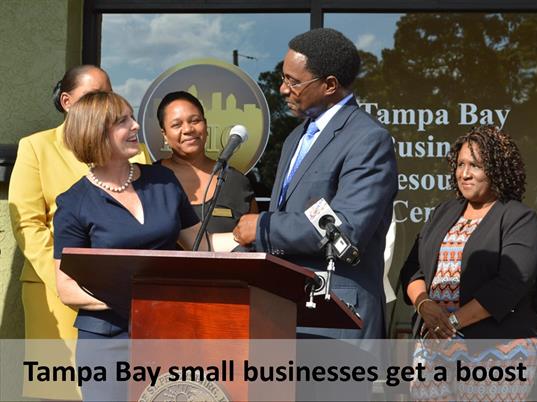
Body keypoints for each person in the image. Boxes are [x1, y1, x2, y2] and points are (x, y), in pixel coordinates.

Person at [52, 91, 234, 401]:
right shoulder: (73, 203)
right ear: (96, 132)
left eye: (132, 117)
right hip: (109, 343)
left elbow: (201, 244)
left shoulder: (162, 180)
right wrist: (138, 301)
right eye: (123, 121)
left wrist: (254, 235)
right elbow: (67, 287)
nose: (135, 126)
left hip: (171, 333)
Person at [232, 28, 398, 340]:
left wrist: (263, 227)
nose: (283, 89)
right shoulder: (295, 138)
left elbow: (346, 230)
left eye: (293, 81)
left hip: (339, 316)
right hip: (287, 312)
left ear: (330, 85)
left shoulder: (368, 139)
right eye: (282, 77)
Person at [8, 65, 150, 344]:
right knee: (58, 372)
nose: (103, 103)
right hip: (55, 288)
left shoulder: (135, 151)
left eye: (108, 95)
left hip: (124, 294)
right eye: (93, 95)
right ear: (67, 101)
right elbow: (27, 224)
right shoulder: (37, 147)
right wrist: (67, 280)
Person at [402, 125, 537, 401]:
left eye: (475, 166)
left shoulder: (518, 217)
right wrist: (424, 304)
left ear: (497, 169)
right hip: (433, 349)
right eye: (460, 164)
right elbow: (412, 268)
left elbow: (510, 284)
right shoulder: (443, 212)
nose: (464, 173)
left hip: (497, 351)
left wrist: (450, 323)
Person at [156, 91, 257, 233]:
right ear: (165, 135)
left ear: (206, 125)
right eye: (177, 125)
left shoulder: (236, 182)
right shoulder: (151, 181)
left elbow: (251, 238)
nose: (188, 129)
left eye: (195, 121)